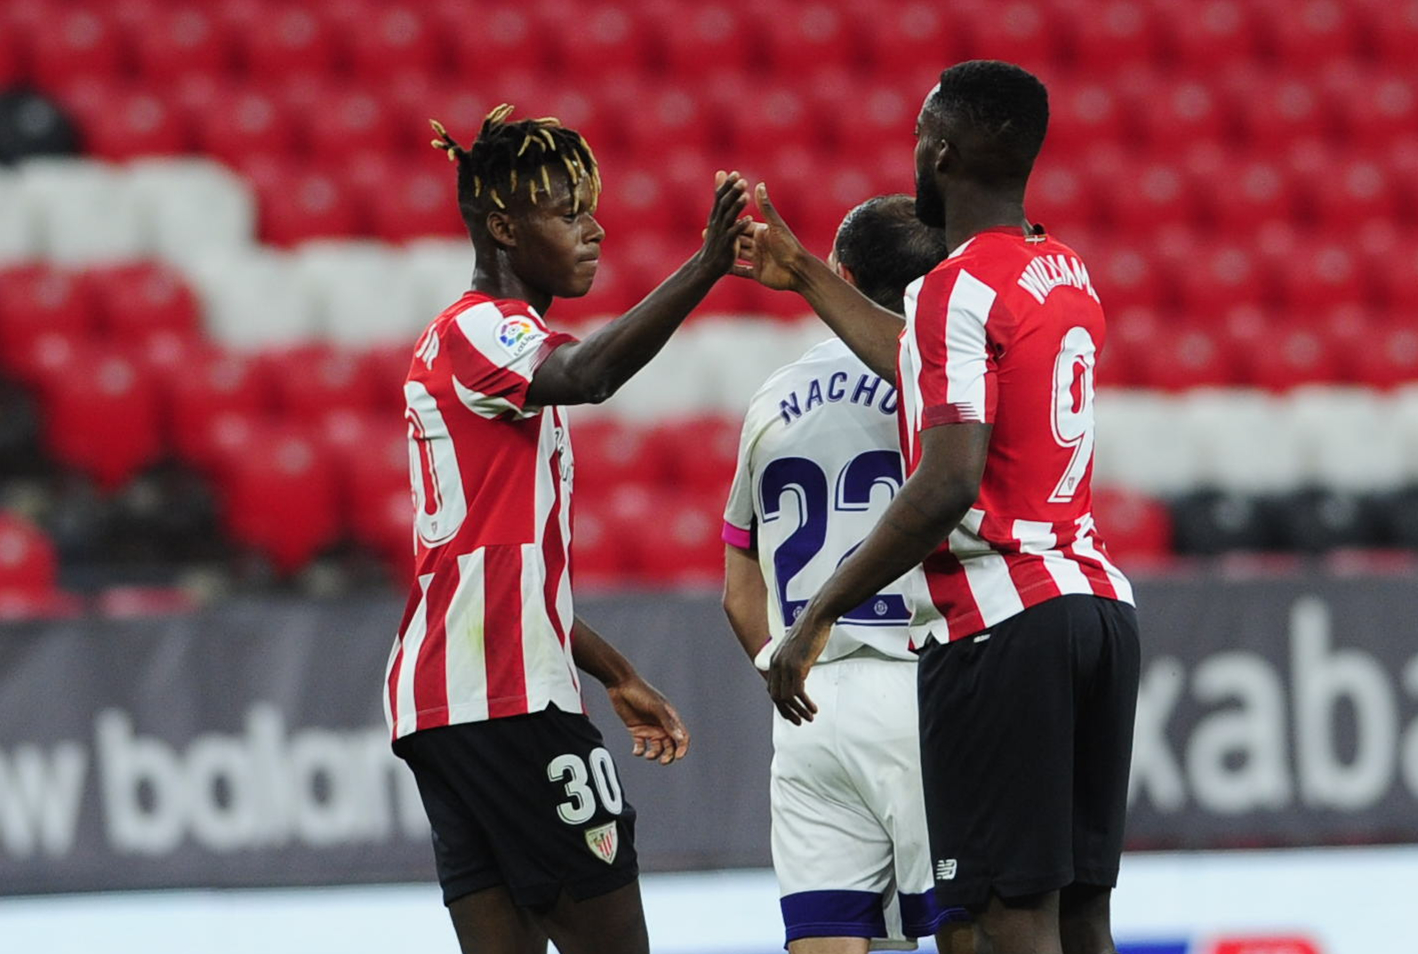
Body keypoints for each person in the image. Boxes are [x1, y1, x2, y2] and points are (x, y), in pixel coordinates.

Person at [733, 62, 1140, 954]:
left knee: (1008, 918)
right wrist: (804, 273)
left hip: (1002, 619)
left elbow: (949, 481)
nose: (913, 147)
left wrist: (818, 615)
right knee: (1083, 916)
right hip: (1097, 604)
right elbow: (924, 362)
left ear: (943, 152)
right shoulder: (1064, 270)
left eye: (921, 132)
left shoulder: (951, 290)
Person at [385, 103, 751, 954]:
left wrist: (616, 673)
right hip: (505, 699)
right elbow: (590, 375)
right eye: (567, 213)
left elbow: (498, 565)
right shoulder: (485, 329)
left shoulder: (478, 355)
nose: (595, 230)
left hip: (452, 702)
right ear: (504, 227)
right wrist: (705, 266)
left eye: (590, 209)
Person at [721, 194, 976, 954]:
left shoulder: (771, 398)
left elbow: (738, 583)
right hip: (919, 686)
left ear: (840, 274)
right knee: (974, 927)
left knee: (826, 938)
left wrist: (783, 666)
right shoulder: (942, 389)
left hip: (809, 708)